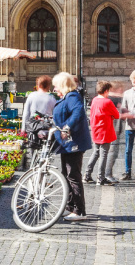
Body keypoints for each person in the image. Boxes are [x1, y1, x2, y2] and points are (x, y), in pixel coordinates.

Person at [52, 71, 92, 221]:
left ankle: (79, 210)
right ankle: (69, 206)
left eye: (56, 86)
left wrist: (67, 127)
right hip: (67, 143)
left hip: (73, 142)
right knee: (67, 174)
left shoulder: (73, 96)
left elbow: (78, 113)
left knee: (73, 175)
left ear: (62, 85)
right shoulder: (67, 98)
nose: (54, 89)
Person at [84, 81, 120, 185]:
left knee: (95, 153)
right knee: (103, 154)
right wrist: (111, 116)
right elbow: (117, 115)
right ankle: (100, 177)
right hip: (105, 130)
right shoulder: (107, 102)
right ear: (106, 91)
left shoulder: (94, 100)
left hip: (95, 130)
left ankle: (87, 175)